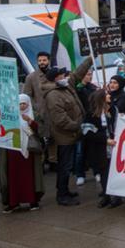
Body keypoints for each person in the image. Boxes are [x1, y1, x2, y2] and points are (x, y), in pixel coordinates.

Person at [42, 57, 93, 206]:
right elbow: (61, 120)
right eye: (62, 75)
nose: (66, 76)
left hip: (72, 134)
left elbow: (78, 73)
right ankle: (62, 195)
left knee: (67, 165)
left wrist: (90, 59)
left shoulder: (66, 86)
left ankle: (64, 190)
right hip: (65, 137)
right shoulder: (53, 95)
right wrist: (78, 126)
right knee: (65, 166)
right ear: (56, 78)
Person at [0, 94, 44, 212]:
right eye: (20, 104)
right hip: (13, 151)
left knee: (30, 177)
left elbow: (40, 130)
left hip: (29, 151)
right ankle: (14, 202)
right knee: (13, 177)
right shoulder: (9, 116)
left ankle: (32, 201)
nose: (22, 106)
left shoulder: (34, 115)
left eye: (24, 103)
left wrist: (30, 121)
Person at [82, 89, 117, 208]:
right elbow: (87, 133)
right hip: (100, 149)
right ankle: (107, 196)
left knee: (111, 172)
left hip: (112, 147)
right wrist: (105, 139)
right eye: (107, 94)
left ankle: (115, 197)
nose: (109, 96)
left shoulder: (111, 110)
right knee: (103, 172)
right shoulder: (91, 114)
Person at [23, 51, 52, 167]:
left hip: (54, 113)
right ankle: (42, 163)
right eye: (40, 61)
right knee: (41, 140)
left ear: (49, 61)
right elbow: (26, 96)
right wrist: (35, 109)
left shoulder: (53, 75)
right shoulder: (31, 77)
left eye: (44, 60)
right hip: (39, 115)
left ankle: (53, 161)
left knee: (53, 140)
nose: (42, 63)